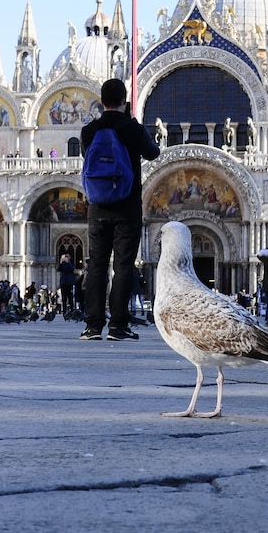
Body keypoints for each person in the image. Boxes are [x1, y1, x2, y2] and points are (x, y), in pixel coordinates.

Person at [79, 78, 161, 341]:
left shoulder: (90, 130)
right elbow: (153, 153)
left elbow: (88, 158)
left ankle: (92, 326)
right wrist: (137, 129)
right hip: (126, 206)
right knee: (124, 266)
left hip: (97, 206)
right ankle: (117, 326)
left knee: (96, 266)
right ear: (125, 101)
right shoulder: (131, 128)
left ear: (101, 101)